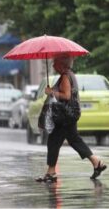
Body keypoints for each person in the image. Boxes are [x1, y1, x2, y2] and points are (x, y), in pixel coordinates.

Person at [36, 55, 106, 183]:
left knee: (53, 142)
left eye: (55, 62)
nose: (53, 65)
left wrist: (51, 92)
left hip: (64, 117)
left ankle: (51, 173)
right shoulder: (69, 74)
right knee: (74, 140)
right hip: (69, 115)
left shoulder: (65, 76)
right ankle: (97, 163)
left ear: (62, 64)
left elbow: (66, 96)